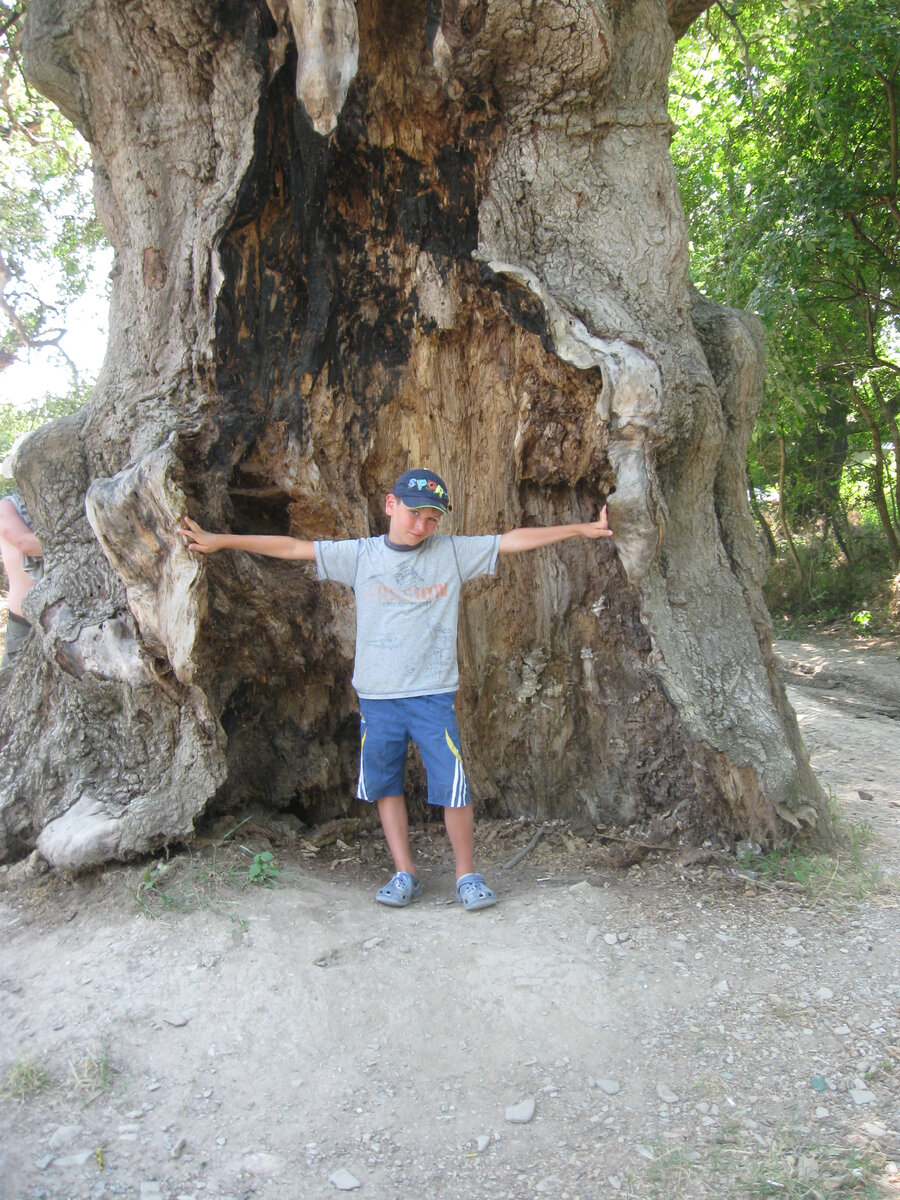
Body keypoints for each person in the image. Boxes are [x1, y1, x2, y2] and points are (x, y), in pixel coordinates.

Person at [180, 468, 613, 911]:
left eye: (432, 519)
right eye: (413, 514)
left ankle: (467, 875)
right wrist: (220, 541)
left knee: (454, 787)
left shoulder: (452, 553)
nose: (421, 526)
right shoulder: (361, 555)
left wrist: (581, 529)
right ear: (391, 505)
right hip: (378, 698)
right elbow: (293, 548)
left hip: (433, 695)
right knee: (387, 786)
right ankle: (405, 872)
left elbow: (512, 540)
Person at [0, 491, 44, 670]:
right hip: (23, 626)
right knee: (12, 684)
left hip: (67, 621)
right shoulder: (7, 506)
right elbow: (26, 543)